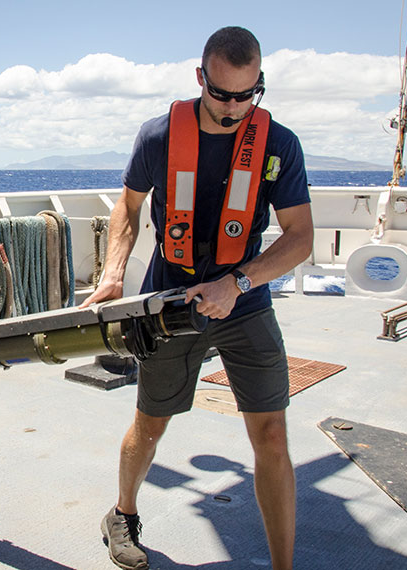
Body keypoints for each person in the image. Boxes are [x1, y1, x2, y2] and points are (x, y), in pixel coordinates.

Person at [82, 27, 313, 570]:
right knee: (151, 421)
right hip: (170, 295)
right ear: (199, 79)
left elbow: (300, 238)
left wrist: (237, 284)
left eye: (247, 95)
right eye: (222, 94)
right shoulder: (158, 136)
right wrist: (114, 273)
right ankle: (122, 513)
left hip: (244, 295)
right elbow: (129, 208)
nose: (233, 109)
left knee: (272, 432)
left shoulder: (279, 145)